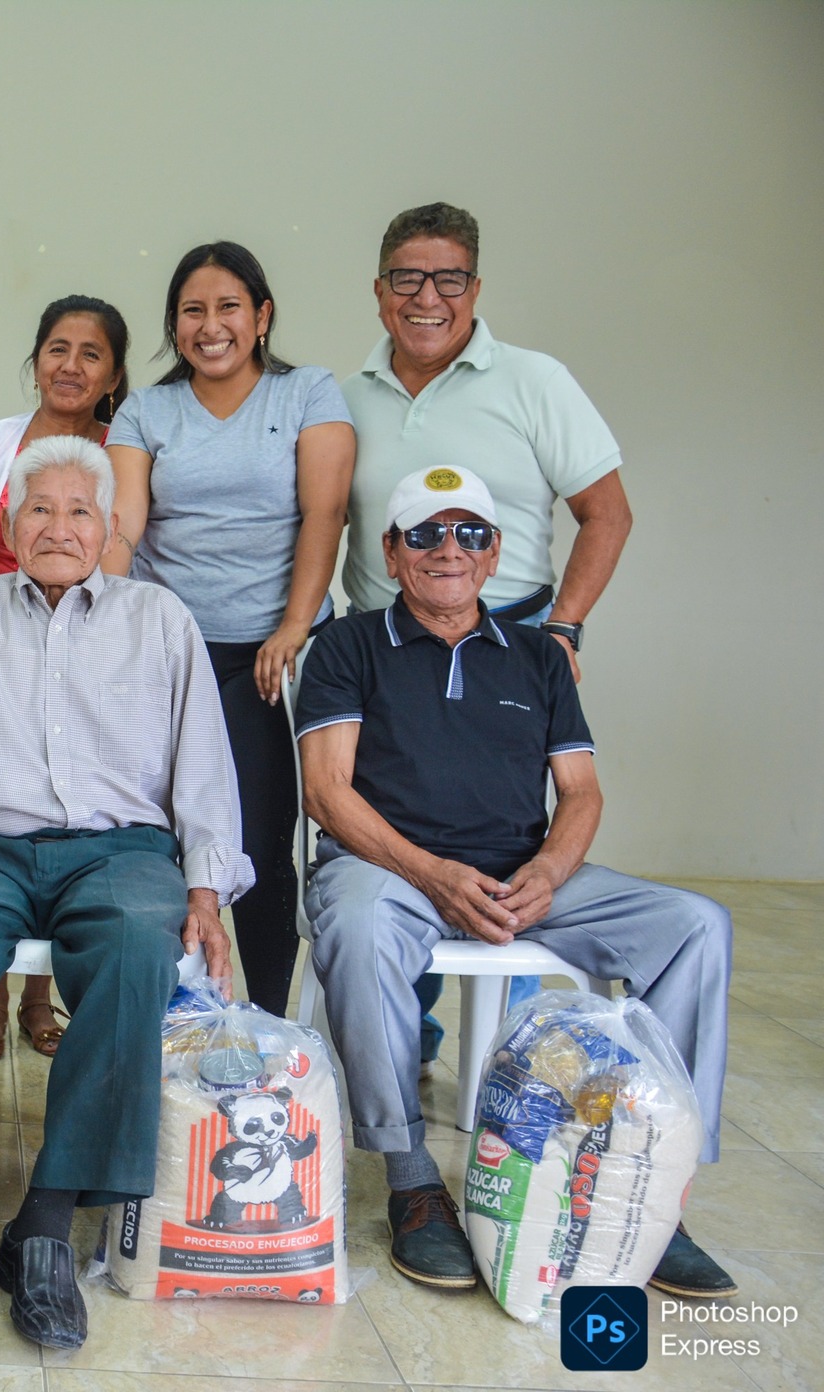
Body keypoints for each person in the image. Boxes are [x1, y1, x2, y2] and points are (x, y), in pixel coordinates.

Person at [295, 467, 733, 1299]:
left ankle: (655, 1180)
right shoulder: (348, 646)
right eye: (425, 533)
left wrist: (548, 873)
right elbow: (326, 791)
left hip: (523, 874)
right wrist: (432, 873)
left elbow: (581, 793)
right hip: (390, 871)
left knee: (695, 924)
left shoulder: (538, 657)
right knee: (356, 923)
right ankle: (412, 1180)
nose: (448, 550)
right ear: (391, 552)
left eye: (470, 533)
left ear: (494, 555)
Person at [0, 436, 251, 1351]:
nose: (58, 527)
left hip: (120, 850)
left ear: (110, 527)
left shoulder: (158, 617)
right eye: (38, 509)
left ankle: (44, 1224)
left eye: (79, 511)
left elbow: (203, 766)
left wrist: (205, 891)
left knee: (137, 949)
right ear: (10, 527)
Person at [340, 202, 636, 1062]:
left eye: (449, 278)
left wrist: (564, 627)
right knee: (393, 843)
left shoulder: (535, 381)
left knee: (502, 839)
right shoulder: (344, 398)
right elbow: (319, 521)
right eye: (407, 278)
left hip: (510, 638)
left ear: (475, 288)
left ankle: (502, 1053)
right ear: (379, 290)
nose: (427, 297)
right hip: (384, 649)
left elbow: (607, 513)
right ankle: (406, 1037)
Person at [105, 243, 354, 1016]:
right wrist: (96, 614)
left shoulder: (307, 392)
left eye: (228, 308)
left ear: (262, 315)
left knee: (258, 840)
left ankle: (267, 1022)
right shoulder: (147, 411)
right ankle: (175, 1015)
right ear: (173, 324)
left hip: (269, 652)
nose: (210, 326)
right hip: (168, 650)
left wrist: (293, 626)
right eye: (192, 311)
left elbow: (325, 513)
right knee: (160, 835)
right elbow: (124, 525)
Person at [0, 294, 132, 1059]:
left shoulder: (124, 452)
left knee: (64, 811)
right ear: (36, 360)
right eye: (58, 348)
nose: (71, 365)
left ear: (114, 375)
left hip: (83, 660)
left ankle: (34, 998)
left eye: (92, 354)